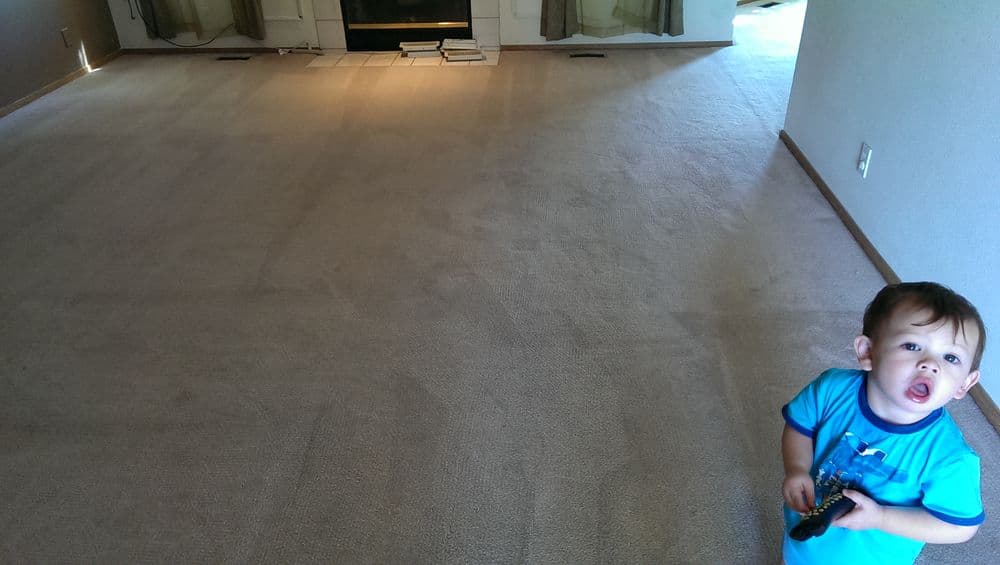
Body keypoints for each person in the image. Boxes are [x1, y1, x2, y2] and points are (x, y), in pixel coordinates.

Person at [781, 282, 987, 564]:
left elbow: (960, 526)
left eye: (950, 357)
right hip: (804, 536)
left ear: (965, 383)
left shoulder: (950, 458)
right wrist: (796, 468)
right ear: (868, 352)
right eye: (912, 346)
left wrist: (881, 518)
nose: (930, 364)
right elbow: (799, 427)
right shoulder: (831, 389)